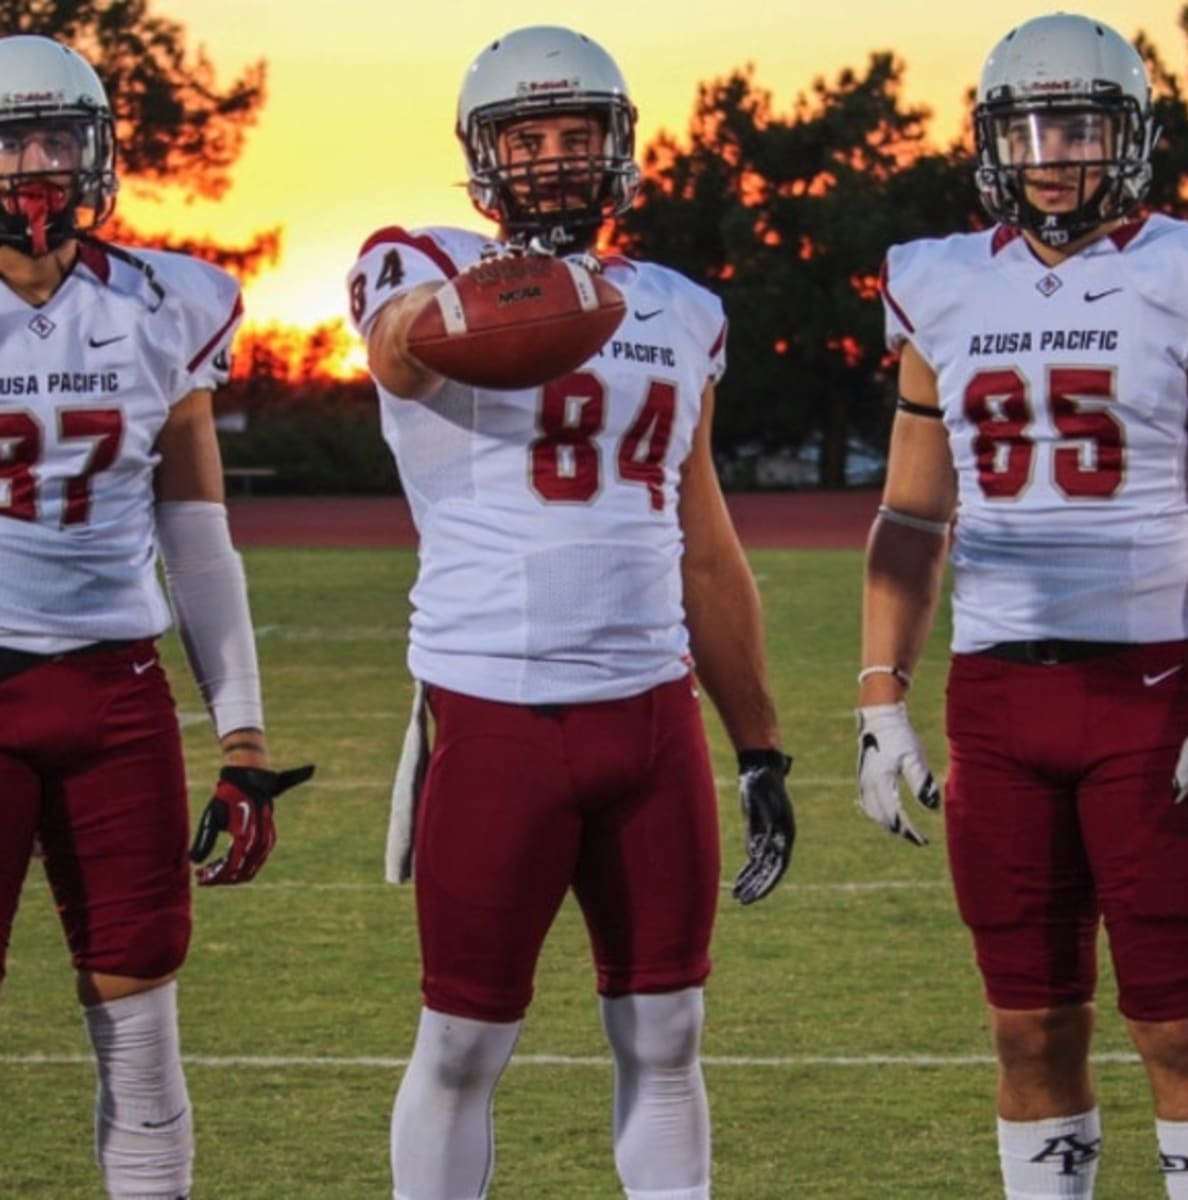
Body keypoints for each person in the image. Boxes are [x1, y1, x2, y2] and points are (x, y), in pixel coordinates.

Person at [346, 24, 795, 1200]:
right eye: (527, 138)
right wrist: (483, 307)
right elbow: (397, 356)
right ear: (484, 157)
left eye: (575, 135)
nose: (552, 160)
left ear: (618, 149)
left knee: (670, 1031)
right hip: (495, 711)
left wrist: (757, 742)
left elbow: (704, 540)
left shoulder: (681, 308)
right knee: (460, 1039)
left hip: (650, 717)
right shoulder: (418, 258)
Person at [856, 11, 1188, 1199]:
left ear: (1132, 139)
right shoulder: (937, 282)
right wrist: (879, 697)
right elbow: (909, 519)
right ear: (995, 139)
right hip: (998, 697)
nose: (1056, 151)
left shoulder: (1187, 271)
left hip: (1157, 687)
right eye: (1032, 126)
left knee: (1183, 1027)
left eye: (1083, 126)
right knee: (1028, 1025)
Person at [0, 34, 312, 1200]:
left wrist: (241, 734)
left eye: (53, 138)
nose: (34, 164)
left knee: (138, 1012)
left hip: (113, 694)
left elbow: (196, 532)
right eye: (11, 140)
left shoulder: (166, 303)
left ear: (97, 152)